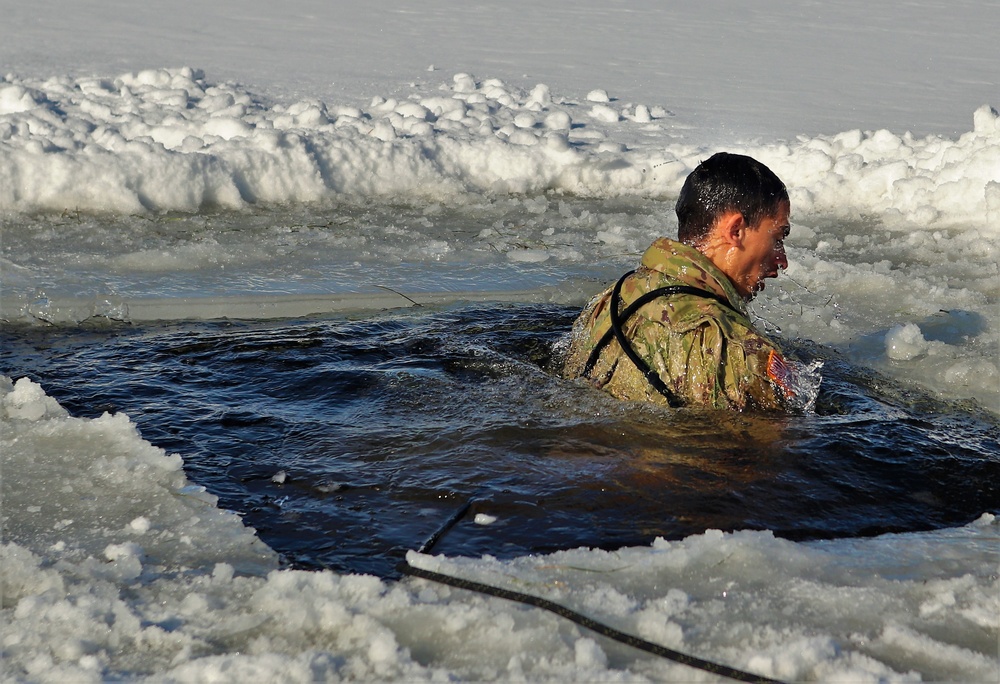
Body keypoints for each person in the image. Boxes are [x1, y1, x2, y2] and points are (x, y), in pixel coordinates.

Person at [562, 152, 796, 411]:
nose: (781, 260)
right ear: (736, 230)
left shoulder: (609, 303)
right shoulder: (743, 351)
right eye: (777, 237)